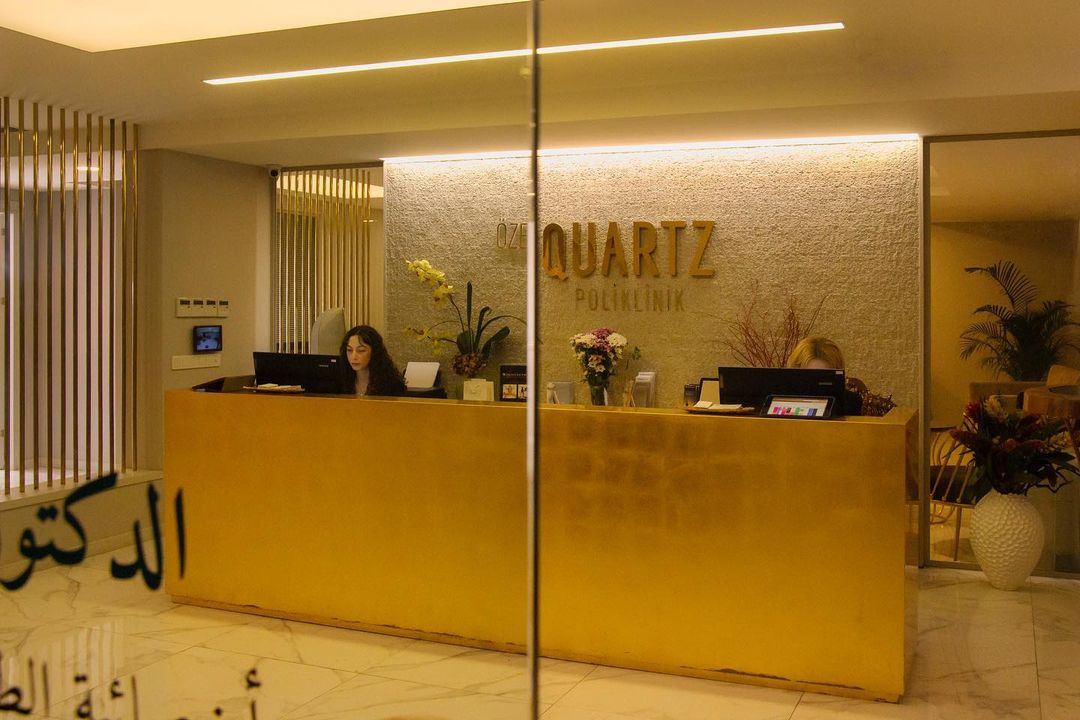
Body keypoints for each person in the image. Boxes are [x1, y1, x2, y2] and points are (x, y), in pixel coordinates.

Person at [786, 335, 863, 415]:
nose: (815, 384)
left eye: (823, 377)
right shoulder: (784, 399)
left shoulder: (851, 403)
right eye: (809, 377)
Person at [339, 325, 406, 396]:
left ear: (374, 352)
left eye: (361, 350)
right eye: (349, 350)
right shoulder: (340, 381)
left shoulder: (391, 385)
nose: (353, 357)